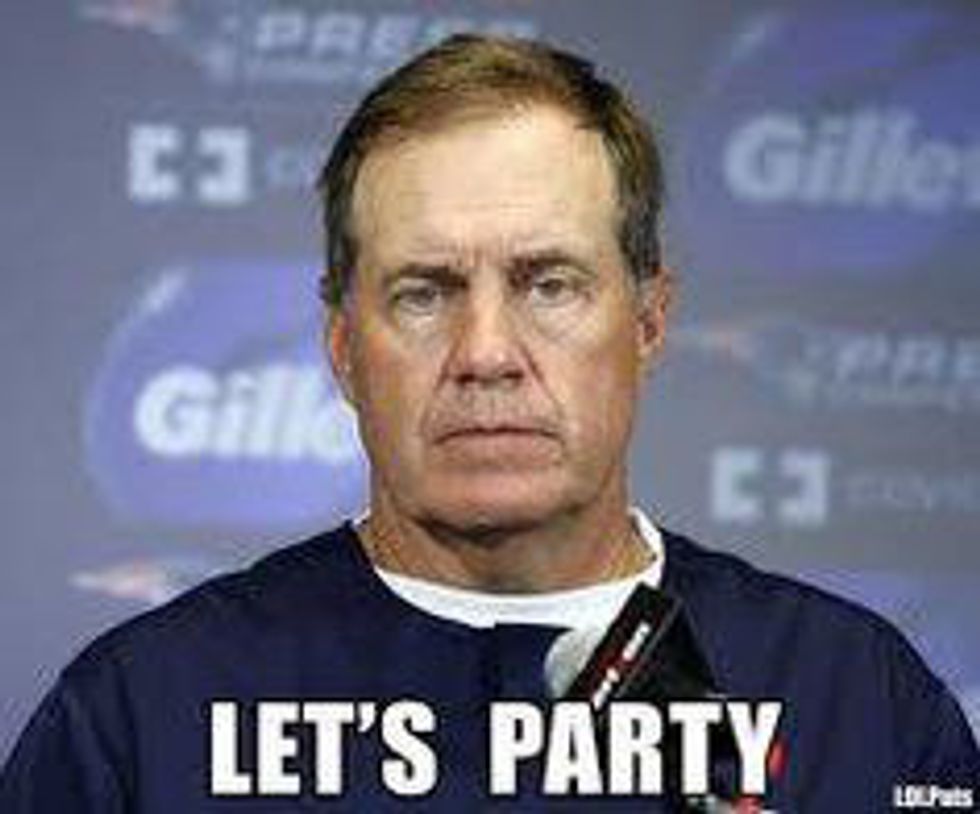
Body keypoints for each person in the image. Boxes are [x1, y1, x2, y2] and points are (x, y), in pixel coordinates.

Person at [2, 34, 977, 812]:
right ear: (342, 346)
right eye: (423, 293)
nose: (485, 352)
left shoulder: (854, 700)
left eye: (548, 284)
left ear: (647, 321)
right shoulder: (146, 714)